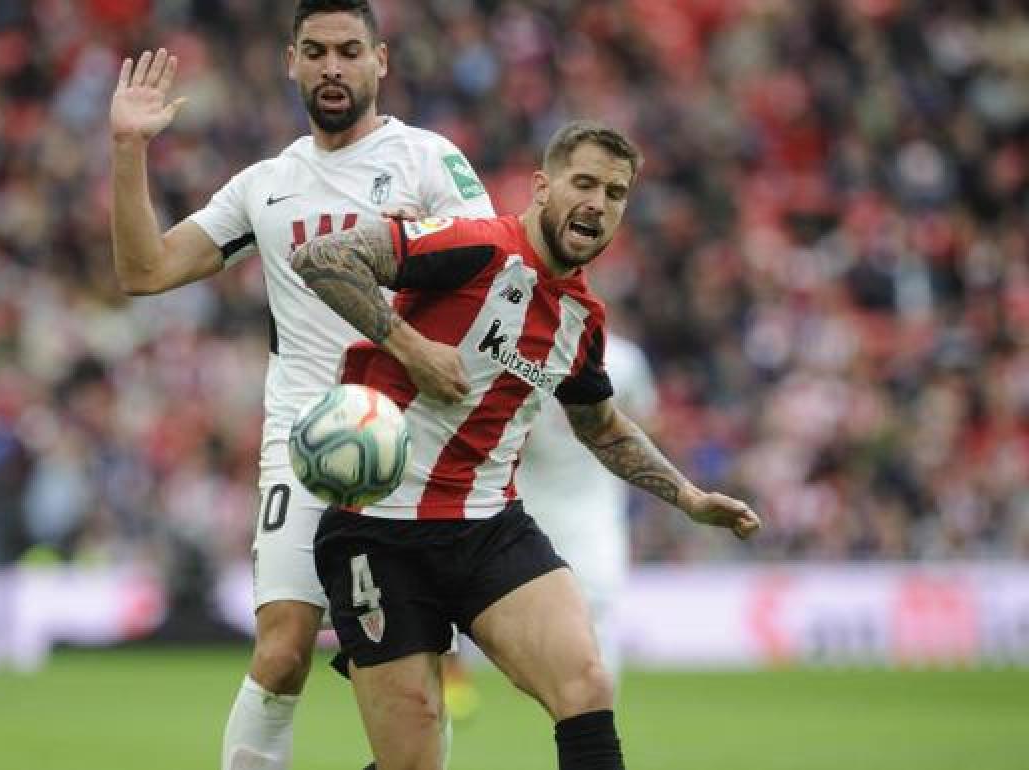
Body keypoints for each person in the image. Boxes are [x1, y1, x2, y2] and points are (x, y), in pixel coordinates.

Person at [291, 119, 761, 769]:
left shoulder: (580, 319)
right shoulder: (478, 247)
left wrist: (687, 496)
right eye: (585, 183)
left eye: (616, 193)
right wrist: (412, 348)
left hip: (487, 526)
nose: (599, 202)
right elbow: (322, 258)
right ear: (543, 187)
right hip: (379, 528)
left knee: (587, 685)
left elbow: (601, 425)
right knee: (413, 761)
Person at [107, 2, 494, 767]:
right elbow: (143, 269)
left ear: (381, 59)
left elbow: (489, 269)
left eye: (349, 50)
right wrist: (127, 149)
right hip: (306, 445)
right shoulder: (266, 186)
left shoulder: (429, 161)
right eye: (314, 51)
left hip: (412, 451)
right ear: (290, 62)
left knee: (413, 680)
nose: (332, 67)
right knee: (281, 651)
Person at [518, 323, 657, 686]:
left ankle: (597, 720)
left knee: (598, 609)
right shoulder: (517, 348)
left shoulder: (625, 361)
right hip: (526, 500)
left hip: (591, 503)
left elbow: (641, 428)